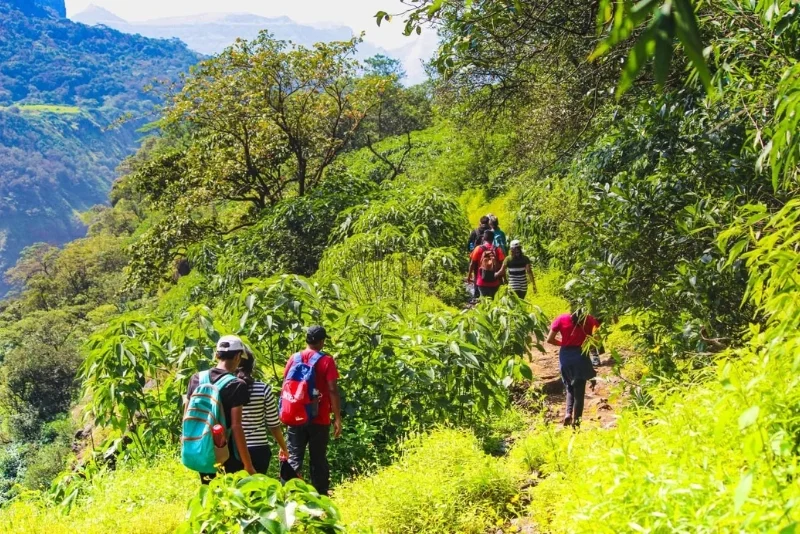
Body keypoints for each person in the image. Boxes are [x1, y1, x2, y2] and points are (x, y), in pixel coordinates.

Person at [186, 335, 255, 483]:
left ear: (217, 355)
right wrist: (248, 464)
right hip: (227, 452)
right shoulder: (237, 384)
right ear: (237, 356)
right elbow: (236, 426)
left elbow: (186, 415)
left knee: (210, 494)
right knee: (231, 496)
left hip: (202, 447)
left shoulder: (196, 378)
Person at [284, 325, 342, 495]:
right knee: (318, 459)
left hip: (295, 416)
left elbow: (286, 385)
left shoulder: (294, 358)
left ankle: (289, 494)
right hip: (320, 417)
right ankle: (321, 495)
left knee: (294, 457)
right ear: (322, 341)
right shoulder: (326, 361)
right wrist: (337, 417)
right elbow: (332, 389)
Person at [238, 348, 290, 475]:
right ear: (252, 366)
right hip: (259, 448)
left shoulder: (227, 388)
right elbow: (273, 424)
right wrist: (284, 448)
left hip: (234, 448)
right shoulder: (263, 389)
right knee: (256, 490)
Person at [546, 311, 600, 427]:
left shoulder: (561, 318)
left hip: (565, 356)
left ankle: (568, 413)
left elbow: (549, 339)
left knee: (569, 387)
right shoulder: (590, 320)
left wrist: (564, 343)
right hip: (581, 355)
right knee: (579, 393)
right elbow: (597, 340)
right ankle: (576, 424)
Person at [466, 229, 506, 299]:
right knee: (494, 300)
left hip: (481, 281)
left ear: (484, 238)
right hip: (495, 281)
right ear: (493, 239)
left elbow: (472, 264)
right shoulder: (497, 250)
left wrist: (469, 277)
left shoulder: (478, 249)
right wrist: (504, 279)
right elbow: (503, 265)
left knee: (484, 301)